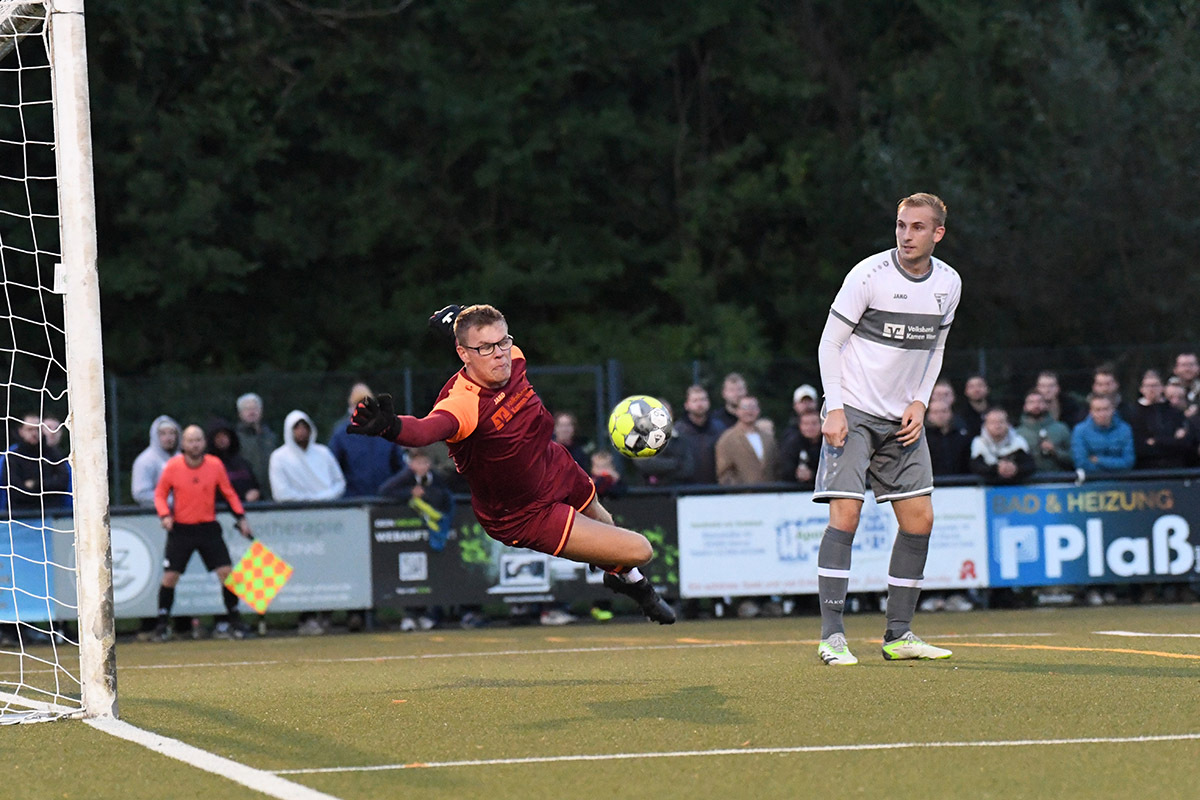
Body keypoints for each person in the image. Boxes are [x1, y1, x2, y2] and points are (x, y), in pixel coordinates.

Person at [345, 303, 674, 624]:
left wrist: (459, 319)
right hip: (522, 513)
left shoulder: (513, 358)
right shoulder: (463, 403)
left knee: (604, 520)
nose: (500, 353)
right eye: (486, 348)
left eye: (503, 341)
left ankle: (623, 578)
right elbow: (425, 429)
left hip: (553, 462)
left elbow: (479, 335)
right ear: (464, 354)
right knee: (639, 549)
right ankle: (638, 584)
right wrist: (390, 426)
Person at [813, 192, 961, 665]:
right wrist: (834, 408)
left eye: (918, 227)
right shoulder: (869, 274)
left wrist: (920, 401)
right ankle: (832, 636)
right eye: (901, 225)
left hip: (902, 418)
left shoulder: (949, 283)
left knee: (920, 520)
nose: (906, 235)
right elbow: (829, 342)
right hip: (853, 410)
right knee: (846, 517)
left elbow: (935, 350)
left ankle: (899, 635)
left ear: (938, 233)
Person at [152, 425, 253, 640]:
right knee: (170, 577)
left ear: (204, 443)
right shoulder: (173, 466)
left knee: (227, 573)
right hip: (181, 529)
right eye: (190, 440)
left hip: (208, 528)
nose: (195, 444)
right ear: (183, 444)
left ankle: (235, 621)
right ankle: (161, 624)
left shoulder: (215, 465)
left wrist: (241, 518)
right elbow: (160, 494)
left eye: (198, 440)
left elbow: (229, 493)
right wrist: (165, 515)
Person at [380, 448, 454, 631]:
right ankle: (410, 615)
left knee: (431, 571)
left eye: (425, 462)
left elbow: (446, 497)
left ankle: (428, 614)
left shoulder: (434, 478)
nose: (423, 466)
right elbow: (385, 490)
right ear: (411, 464)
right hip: (409, 533)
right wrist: (410, 493)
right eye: (418, 462)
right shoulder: (405, 477)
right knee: (411, 574)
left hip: (431, 532)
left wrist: (429, 495)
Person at [328, 382, 406, 497]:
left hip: (381, 499)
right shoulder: (341, 434)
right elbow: (333, 469)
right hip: (354, 500)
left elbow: (399, 466)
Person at [269, 410, 346, 502]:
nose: (301, 431)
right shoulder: (279, 457)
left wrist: (325, 496)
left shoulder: (324, 453)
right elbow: (281, 493)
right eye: (297, 428)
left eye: (304, 427)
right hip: (295, 512)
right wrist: (308, 501)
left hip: (327, 508)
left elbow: (339, 482)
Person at [3, 413, 72, 513]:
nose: (34, 433)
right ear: (21, 431)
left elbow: (62, 483)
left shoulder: (52, 454)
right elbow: (15, 492)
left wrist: (35, 484)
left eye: (37, 429)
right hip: (21, 517)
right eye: (30, 429)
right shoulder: (12, 457)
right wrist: (48, 487)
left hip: (53, 514)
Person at [1128, 369, 1192, 470]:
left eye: (1155, 385)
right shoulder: (1134, 414)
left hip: (1175, 469)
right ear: (1141, 389)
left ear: (1162, 388)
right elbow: (1139, 448)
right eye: (1148, 386)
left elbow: (1184, 444)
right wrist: (1171, 441)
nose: (1151, 389)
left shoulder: (1175, 413)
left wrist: (1156, 441)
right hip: (1146, 471)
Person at [715, 395, 779, 485]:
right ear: (737, 411)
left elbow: (776, 468)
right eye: (745, 407)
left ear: (758, 410)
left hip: (769, 495)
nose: (749, 411)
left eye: (753, 407)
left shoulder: (769, 439)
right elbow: (724, 474)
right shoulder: (727, 439)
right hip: (742, 496)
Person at [672, 385, 726, 484]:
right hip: (687, 489)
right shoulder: (678, 431)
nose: (700, 404)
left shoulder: (720, 429)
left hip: (716, 488)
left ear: (708, 403)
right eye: (695, 400)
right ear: (687, 405)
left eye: (703, 400)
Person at [1071, 395, 1135, 476]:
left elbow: (1128, 462)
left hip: (1120, 481)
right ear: (1091, 412)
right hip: (1090, 483)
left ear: (1113, 410)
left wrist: (1099, 460)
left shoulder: (1125, 429)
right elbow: (1081, 463)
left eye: (1106, 409)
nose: (1102, 414)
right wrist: (1114, 466)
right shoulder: (1079, 430)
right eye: (1098, 410)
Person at [969, 408, 1035, 485]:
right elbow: (976, 467)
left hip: (1017, 488)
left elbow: (1030, 465)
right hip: (987, 489)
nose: (997, 426)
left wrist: (1016, 469)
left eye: (1001, 422)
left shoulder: (1018, 441)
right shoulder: (979, 442)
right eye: (992, 422)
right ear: (985, 425)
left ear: (1008, 424)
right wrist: (996, 469)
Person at [1014, 389, 1074, 473]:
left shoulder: (1061, 429)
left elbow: (1074, 458)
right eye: (1031, 402)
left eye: (1039, 402)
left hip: (1058, 480)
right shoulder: (1017, 433)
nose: (1036, 405)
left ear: (1046, 405)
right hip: (1027, 482)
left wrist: (1055, 451)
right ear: (1025, 407)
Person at [235, 393, 278, 501]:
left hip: (272, 495)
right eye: (247, 409)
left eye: (255, 408)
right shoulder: (235, 439)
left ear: (261, 411)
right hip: (247, 498)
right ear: (240, 413)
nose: (251, 412)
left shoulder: (271, 437)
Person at [206, 420, 262, 502]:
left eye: (225, 435)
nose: (222, 439)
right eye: (218, 436)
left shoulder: (243, 463)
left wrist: (256, 492)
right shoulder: (206, 465)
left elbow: (256, 486)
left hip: (249, 509)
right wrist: (242, 497)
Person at [130, 415, 180, 507]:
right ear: (155, 436)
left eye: (172, 433)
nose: (168, 438)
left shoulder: (182, 459)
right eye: (163, 433)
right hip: (151, 515)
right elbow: (141, 493)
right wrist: (171, 501)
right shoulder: (144, 461)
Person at [924, 399, 971, 476]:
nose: (940, 415)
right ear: (928, 415)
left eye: (944, 411)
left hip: (960, 483)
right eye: (935, 412)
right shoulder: (923, 438)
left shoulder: (961, 436)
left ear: (951, 413)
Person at [778, 408, 822, 487]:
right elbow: (783, 469)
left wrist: (812, 475)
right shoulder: (791, 444)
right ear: (800, 426)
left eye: (814, 423)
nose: (810, 427)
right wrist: (796, 473)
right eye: (806, 424)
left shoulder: (829, 445)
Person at [960, 374, 990, 438]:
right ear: (966, 391)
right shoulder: (960, 416)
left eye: (980, 385)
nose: (976, 390)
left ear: (987, 389)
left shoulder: (995, 411)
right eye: (971, 387)